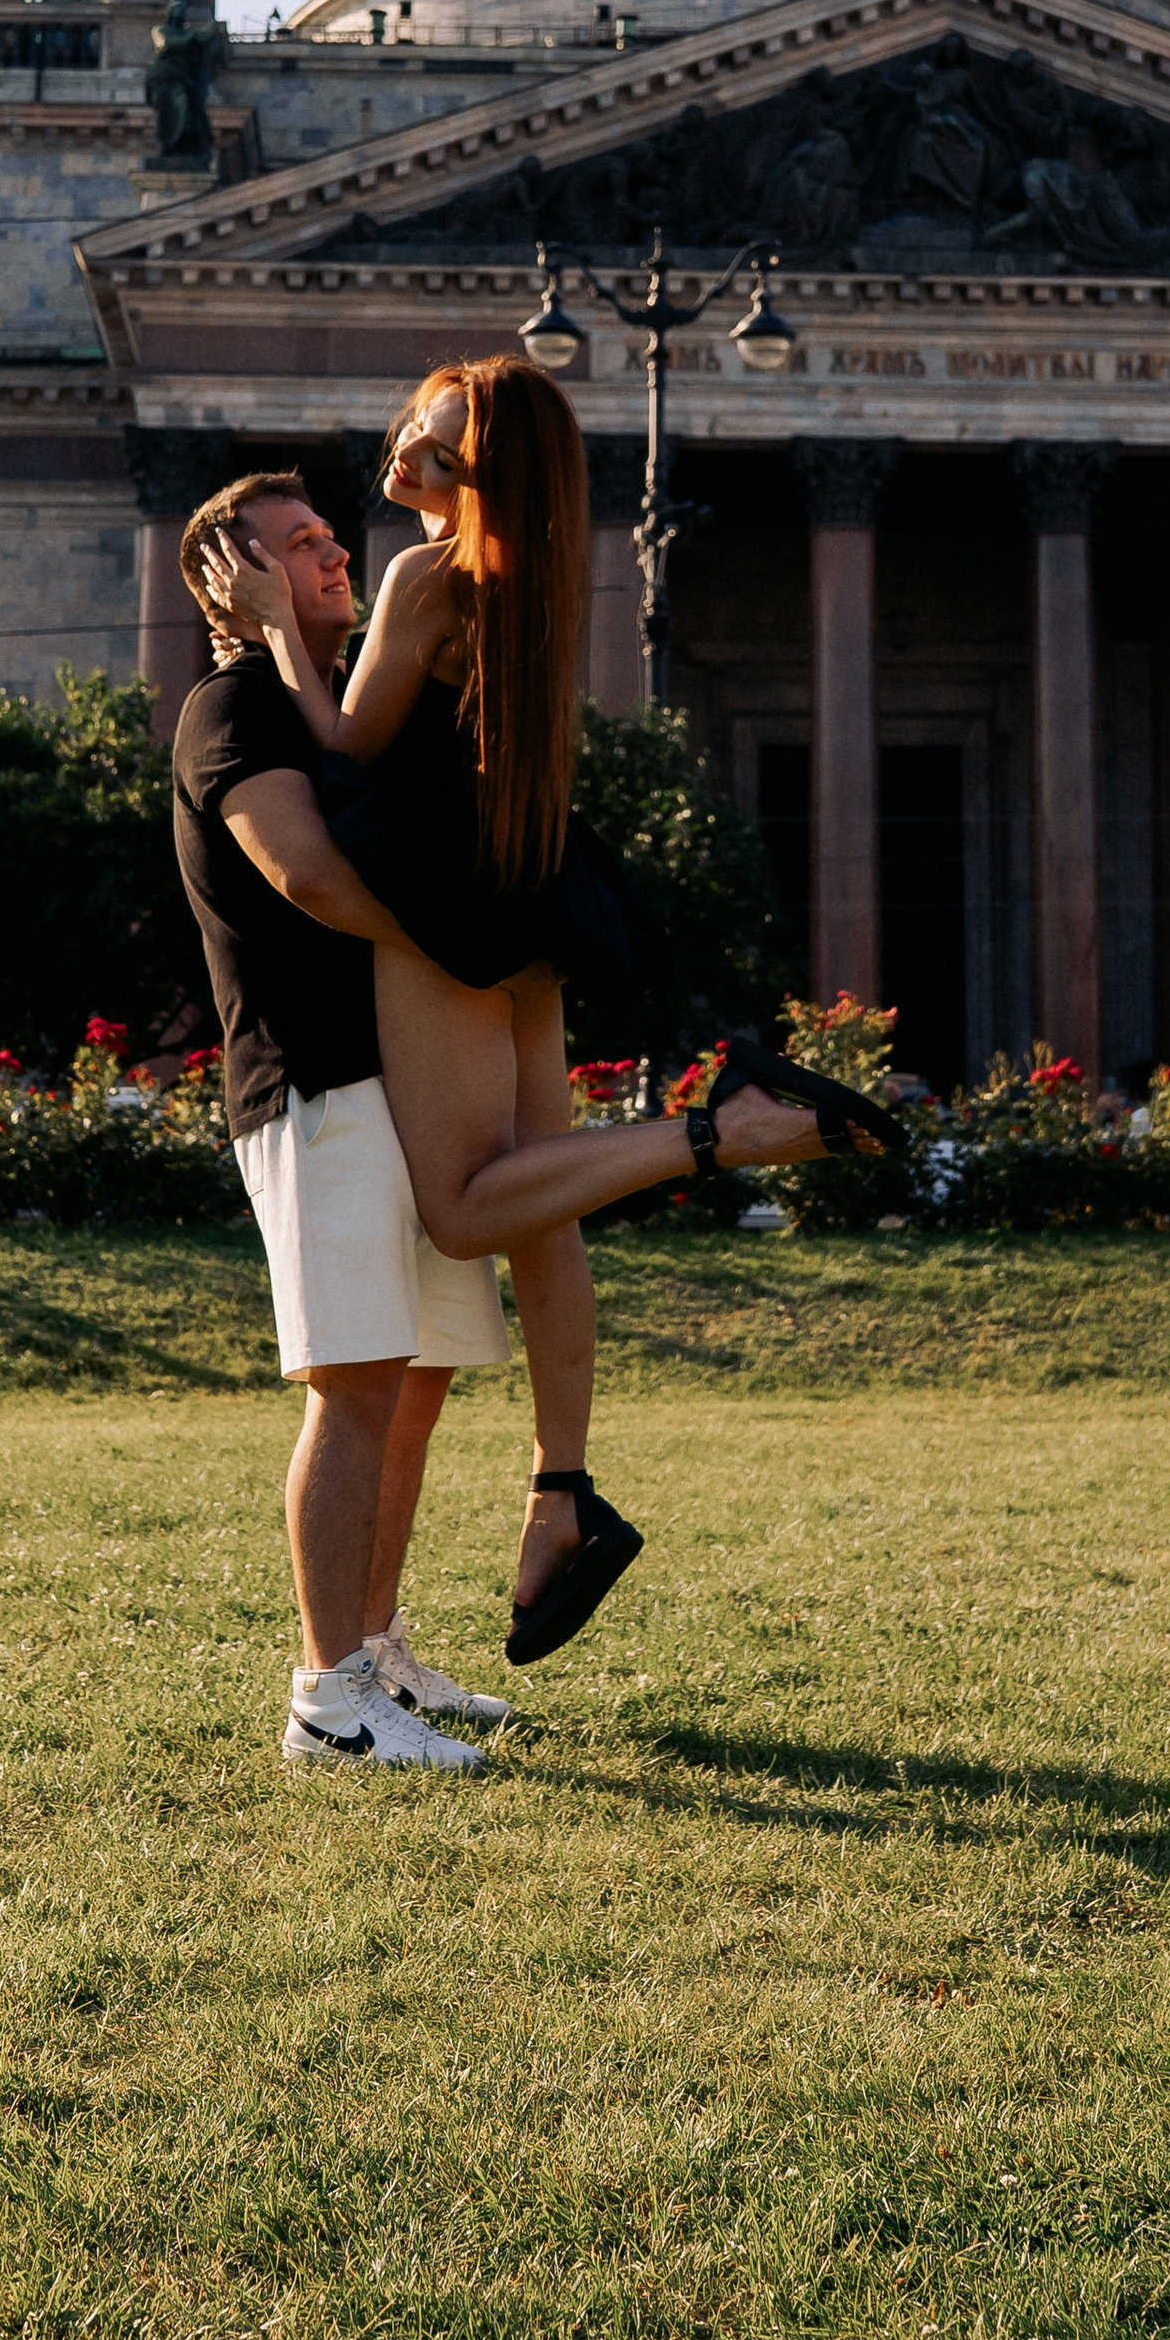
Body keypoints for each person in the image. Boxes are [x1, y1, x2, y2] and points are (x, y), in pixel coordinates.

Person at [205, 355, 898, 1665]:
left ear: (483, 482)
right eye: (412, 435)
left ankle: (721, 1129)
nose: (402, 465)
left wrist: (274, 630)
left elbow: (346, 746)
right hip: (531, 889)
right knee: (539, 1202)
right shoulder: (523, 585)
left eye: (436, 456)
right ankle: (562, 1490)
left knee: (470, 1204)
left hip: (442, 893)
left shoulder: (423, 576)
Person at [171, 469, 517, 1775]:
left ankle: (372, 1650)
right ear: (233, 578)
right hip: (313, 1087)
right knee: (357, 1384)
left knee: (414, 1382)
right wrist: (457, 946)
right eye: (297, 546)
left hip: (398, 1087)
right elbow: (305, 873)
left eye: (329, 538)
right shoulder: (234, 704)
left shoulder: (331, 709)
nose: (332, 556)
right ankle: (327, 1702)